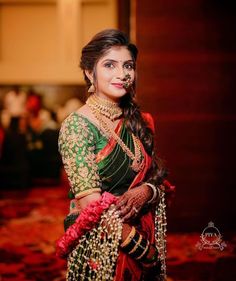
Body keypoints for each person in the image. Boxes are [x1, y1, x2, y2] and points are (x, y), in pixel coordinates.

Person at [56, 29, 174, 281]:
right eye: (109, 65)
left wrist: (147, 192)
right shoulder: (78, 126)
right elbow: (91, 207)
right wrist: (144, 251)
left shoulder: (140, 121)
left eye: (128, 66)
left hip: (144, 232)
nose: (122, 74)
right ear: (90, 72)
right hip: (103, 248)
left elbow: (158, 179)